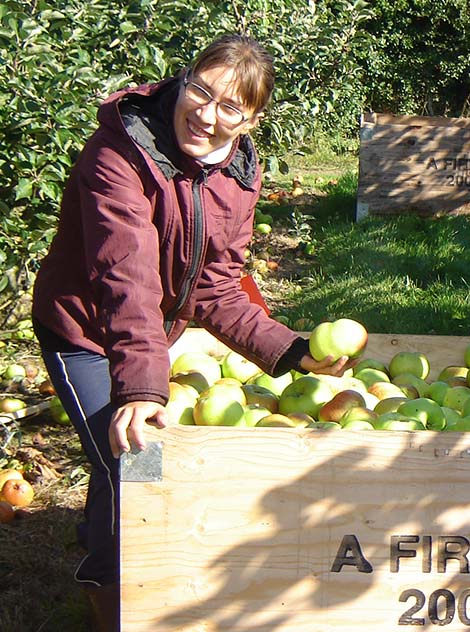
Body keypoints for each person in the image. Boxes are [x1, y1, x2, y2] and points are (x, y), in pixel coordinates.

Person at [31, 34, 350, 632]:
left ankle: (110, 545)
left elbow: (215, 288)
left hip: (146, 336)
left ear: (253, 119)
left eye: (230, 107)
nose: (205, 114)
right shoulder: (119, 152)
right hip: (85, 327)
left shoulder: (238, 175)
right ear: (182, 80)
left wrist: (291, 352)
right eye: (199, 91)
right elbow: (124, 275)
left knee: (130, 461)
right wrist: (142, 387)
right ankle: (110, 597)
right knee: (133, 463)